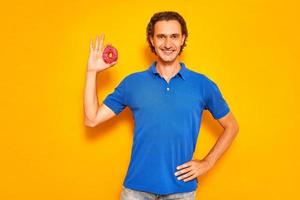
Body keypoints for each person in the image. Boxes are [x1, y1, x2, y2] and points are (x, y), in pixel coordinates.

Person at [84, 11, 239, 200]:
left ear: (183, 39)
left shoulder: (202, 85)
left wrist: (207, 162)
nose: (167, 44)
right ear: (152, 39)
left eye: (174, 36)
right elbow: (91, 119)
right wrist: (92, 72)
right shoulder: (132, 83)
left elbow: (232, 126)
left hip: (181, 192)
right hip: (136, 191)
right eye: (161, 37)